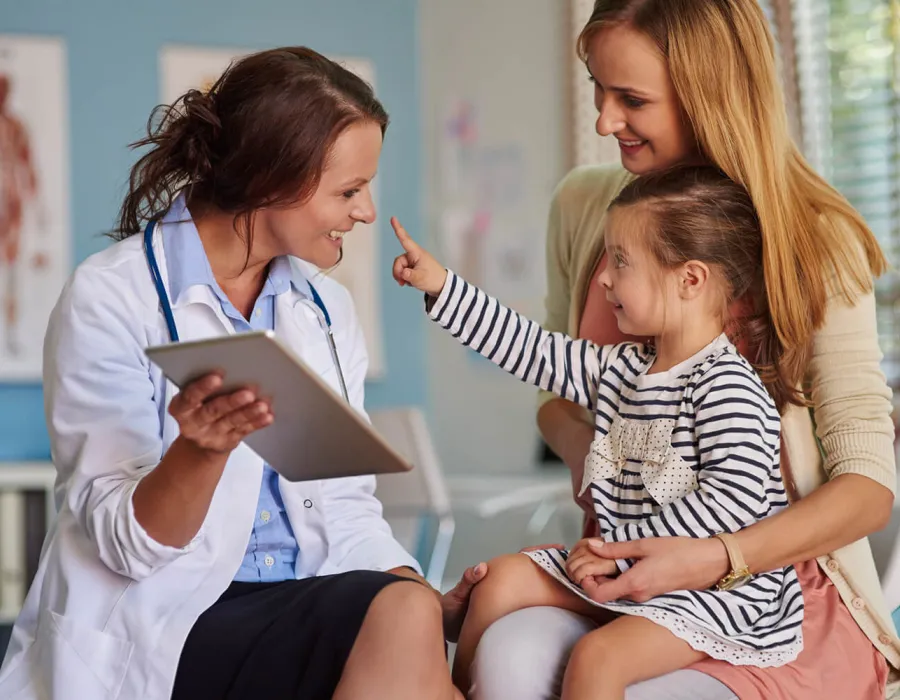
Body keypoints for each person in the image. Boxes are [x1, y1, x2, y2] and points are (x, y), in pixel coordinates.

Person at [0, 47, 485, 700]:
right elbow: (124, 549)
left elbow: (346, 512)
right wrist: (199, 454)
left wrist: (421, 591)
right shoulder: (111, 297)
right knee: (409, 627)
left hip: (297, 602)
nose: (367, 211)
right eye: (348, 190)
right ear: (269, 181)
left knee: (408, 611)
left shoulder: (326, 309)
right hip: (167, 621)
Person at [468, 1, 899, 699]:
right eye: (597, 92)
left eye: (632, 99)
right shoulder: (586, 206)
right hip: (623, 576)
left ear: (711, 97)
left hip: (770, 597)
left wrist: (714, 556)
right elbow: (558, 401)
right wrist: (594, 453)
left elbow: (868, 492)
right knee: (506, 655)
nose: (606, 121)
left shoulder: (815, 240)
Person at [391, 166, 804, 699]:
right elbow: (531, 350)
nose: (604, 277)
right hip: (622, 569)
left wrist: (619, 550)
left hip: (710, 594)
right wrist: (442, 287)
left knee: (597, 658)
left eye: (621, 262)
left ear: (690, 279)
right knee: (494, 584)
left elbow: (731, 503)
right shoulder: (620, 367)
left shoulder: (728, 388)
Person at [0, 73, 39, 356]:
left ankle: (11, 331)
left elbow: (29, 164)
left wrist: (39, 207)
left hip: (11, 203)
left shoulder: (16, 126)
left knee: (12, 269)